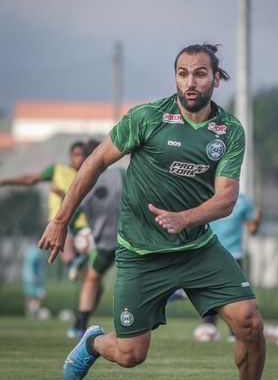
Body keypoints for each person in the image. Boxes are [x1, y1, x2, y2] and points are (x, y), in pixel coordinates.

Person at [39, 43, 266, 380]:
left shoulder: (229, 130)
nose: (190, 82)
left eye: (200, 74)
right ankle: (92, 343)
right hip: (140, 253)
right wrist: (60, 220)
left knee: (250, 322)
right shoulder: (147, 118)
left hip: (197, 250)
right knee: (130, 355)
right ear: (175, 77)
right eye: (182, 73)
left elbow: (227, 198)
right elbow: (96, 161)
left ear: (216, 79)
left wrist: (185, 218)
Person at [0, 141, 88, 272]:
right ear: (70, 155)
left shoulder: (89, 174)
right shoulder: (58, 170)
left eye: (83, 155)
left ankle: (79, 264)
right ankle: (75, 264)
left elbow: (87, 201)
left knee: (88, 270)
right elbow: (31, 179)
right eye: (77, 154)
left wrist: (62, 194)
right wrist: (5, 181)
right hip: (62, 221)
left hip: (83, 224)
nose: (80, 158)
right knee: (67, 254)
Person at [68, 139, 125, 339]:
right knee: (96, 280)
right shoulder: (120, 174)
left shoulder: (82, 180)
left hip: (108, 242)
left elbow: (71, 217)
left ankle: (81, 324)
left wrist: (78, 235)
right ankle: (81, 323)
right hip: (124, 239)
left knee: (93, 280)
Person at [198, 193, 262, 341]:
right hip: (211, 252)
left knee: (236, 294)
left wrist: (257, 222)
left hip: (235, 254)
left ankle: (234, 331)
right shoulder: (208, 195)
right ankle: (209, 327)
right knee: (210, 290)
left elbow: (252, 229)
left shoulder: (244, 201)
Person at [22, 242, 47, 318]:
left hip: (30, 277)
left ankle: (32, 312)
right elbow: (31, 263)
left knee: (35, 295)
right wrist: (34, 276)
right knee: (35, 295)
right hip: (32, 278)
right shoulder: (36, 251)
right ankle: (31, 312)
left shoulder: (31, 249)